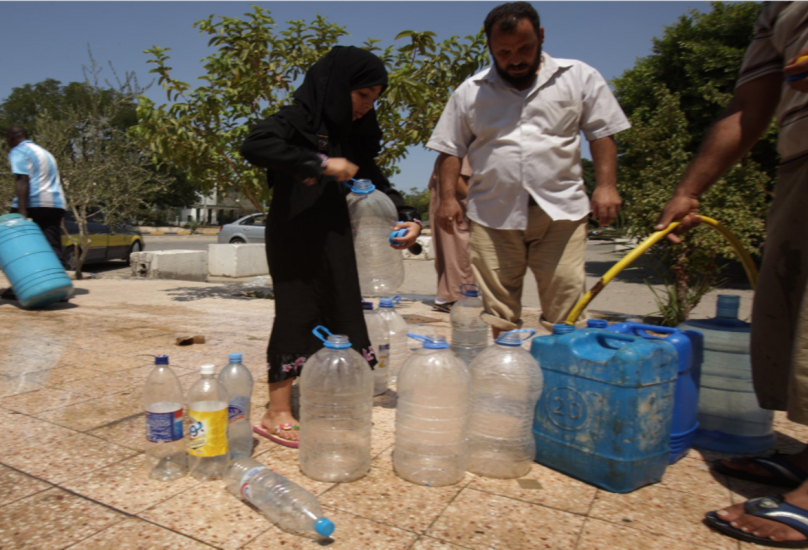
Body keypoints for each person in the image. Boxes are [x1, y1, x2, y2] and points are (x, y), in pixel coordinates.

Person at [653, 3, 808, 547]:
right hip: (799, 156)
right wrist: (690, 188)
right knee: (796, 319)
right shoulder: (778, 10)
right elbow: (751, 100)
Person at [240, 46, 421, 448]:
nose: (366, 106)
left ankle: (329, 391)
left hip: (337, 238)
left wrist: (410, 217)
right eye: (362, 95)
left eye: (374, 99)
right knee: (296, 310)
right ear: (338, 86)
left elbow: (380, 184)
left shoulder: (349, 138)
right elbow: (254, 145)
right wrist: (320, 164)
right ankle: (276, 411)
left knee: (338, 309)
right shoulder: (296, 119)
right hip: (294, 233)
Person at [426, 2, 629, 335]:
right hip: (493, 217)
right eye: (503, 51)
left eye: (525, 48)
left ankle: (560, 381)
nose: (515, 58)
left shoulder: (578, 76)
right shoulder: (470, 92)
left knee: (565, 311)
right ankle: (507, 378)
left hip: (561, 214)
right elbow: (450, 149)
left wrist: (606, 185)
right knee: (499, 315)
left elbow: (601, 132)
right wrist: (448, 198)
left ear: (542, 36)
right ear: (489, 46)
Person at [5, 126, 67, 265]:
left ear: (11, 137)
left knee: (14, 243)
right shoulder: (44, 152)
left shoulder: (19, 150)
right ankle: (58, 281)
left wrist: (22, 211)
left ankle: (22, 283)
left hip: (33, 202)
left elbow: (23, 179)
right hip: (56, 204)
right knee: (51, 245)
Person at [428, 155, 475, 313]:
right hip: (457, 210)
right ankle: (457, 297)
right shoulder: (464, 149)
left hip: (451, 208)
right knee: (461, 253)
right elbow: (458, 180)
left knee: (451, 254)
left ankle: (449, 296)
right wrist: (481, 201)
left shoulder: (450, 153)